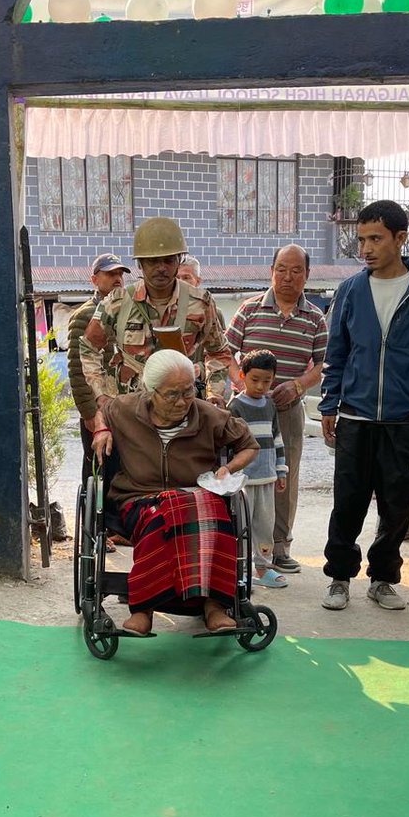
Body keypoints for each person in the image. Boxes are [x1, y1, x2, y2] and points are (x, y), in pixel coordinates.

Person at [318, 201, 409, 612]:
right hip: (356, 417)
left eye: (375, 238)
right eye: (361, 240)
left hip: (405, 418)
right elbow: (336, 351)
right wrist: (329, 404)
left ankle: (383, 578)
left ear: (400, 237)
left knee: (397, 505)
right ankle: (340, 577)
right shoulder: (350, 290)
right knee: (348, 501)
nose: (366, 248)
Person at [91, 350, 258, 636]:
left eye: (188, 391)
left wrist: (228, 468)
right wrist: (101, 430)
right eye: (171, 394)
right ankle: (143, 609)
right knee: (165, 514)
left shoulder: (208, 415)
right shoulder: (125, 409)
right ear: (150, 391)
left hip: (199, 496)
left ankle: (215, 606)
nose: (182, 401)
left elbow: (249, 444)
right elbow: (102, 412)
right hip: (138, 498)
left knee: (213, 513)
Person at [225, 244, 328, 574]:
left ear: (307, 275)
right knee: (240, 473)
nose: (288, 276)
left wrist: (298, 385)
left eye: (296, 270)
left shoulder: (315, 317)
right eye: (282, 269)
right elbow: (226, 352)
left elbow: (322, 364)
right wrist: (241, 386)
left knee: (283, 477)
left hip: (286, 412)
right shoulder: (249, 309)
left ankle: (279, 548)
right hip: (244, 411)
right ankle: (240, 546)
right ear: (271, 270)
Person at [81, 217, 233, 410]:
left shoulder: (200, 303)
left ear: (178, 261)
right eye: (153, 261)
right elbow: (88, 348)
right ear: (140, 264)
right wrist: (101, 395)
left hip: (182, 408)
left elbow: (219, 352)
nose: (161, 268)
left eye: (168, 260)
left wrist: (214, 394)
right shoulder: (117, 303)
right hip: (132, 412)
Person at [67, 253, 131, 482]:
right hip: (99, 407)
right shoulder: (84, 315)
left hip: (127, 407)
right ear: (94, 279)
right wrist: (89, 414)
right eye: (110, 274)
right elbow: (77, 370)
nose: (117, 279)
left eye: (120, 274)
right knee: (100, 472)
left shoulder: (130, 311)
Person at [228, 350, 289, 589]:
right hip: (243, 480)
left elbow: (277, 438)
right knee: (241, 526)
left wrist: (281, 470)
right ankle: (240, 572)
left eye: (267, 381)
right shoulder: (235, 406)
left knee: (265, 525)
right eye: (255, 380)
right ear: (242, 375)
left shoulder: (270, 405)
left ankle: (263, 568)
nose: (261, 386)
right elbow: (229, 443)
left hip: (267, 478)